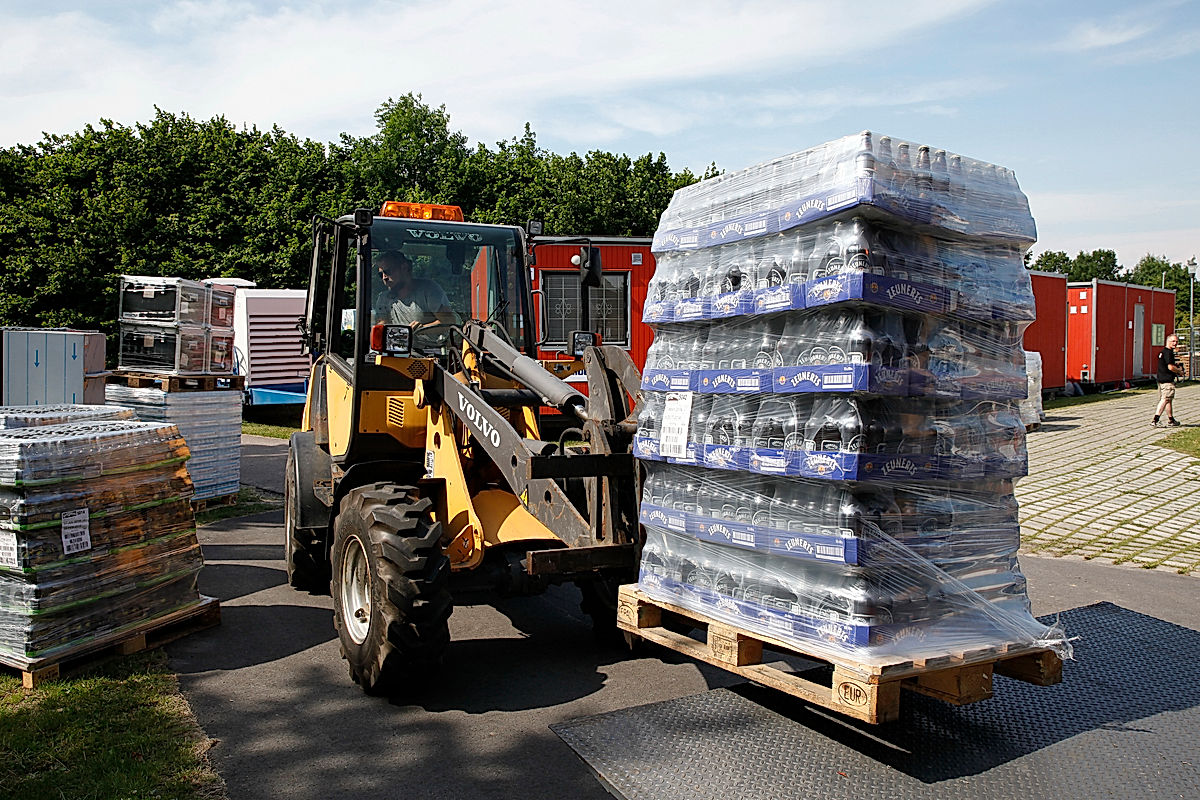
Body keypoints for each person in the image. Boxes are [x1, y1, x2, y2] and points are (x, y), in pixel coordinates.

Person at [372, 251, 456, 327]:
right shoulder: (384, 299)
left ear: (405, 268)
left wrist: (421, 328)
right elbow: (382, 325)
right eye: (381, 274)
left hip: (432, 344)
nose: (384, 277)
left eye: (388, 271)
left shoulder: (428, 290)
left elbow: (448, 321)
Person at [1153, 333, 1184, 427]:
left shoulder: (1163, 352)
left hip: (1161, 379)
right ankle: (1155, 420)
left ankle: (1171, 419)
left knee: (1168, 400)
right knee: (1165, 399)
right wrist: (1179, 371)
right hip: (1167, 380)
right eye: (1173, 341)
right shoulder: (1168, 353)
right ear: (1168, 341)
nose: (1175, 343)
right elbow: (1170, 367)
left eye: (1177, 341)